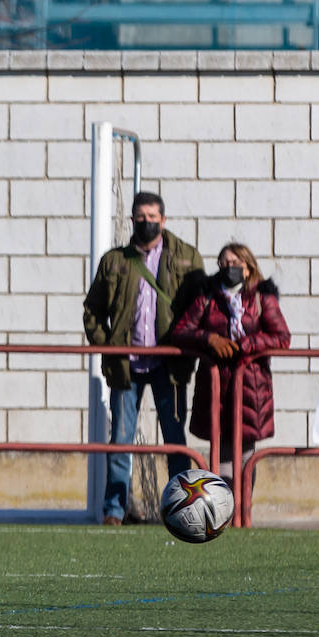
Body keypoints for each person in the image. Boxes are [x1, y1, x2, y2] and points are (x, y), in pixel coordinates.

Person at [83, 190, 205, 525]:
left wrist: (192, 344)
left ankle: (182, 508)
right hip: (126, 364)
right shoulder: (114, 260)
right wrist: (105, 344)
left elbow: (200, 308)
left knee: (175, 441)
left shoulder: (186, 256)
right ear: (132, 219)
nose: (147, 223)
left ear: (163, 220)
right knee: (120, 439)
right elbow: (92, 309)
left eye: (153, 217)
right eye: (140, 217)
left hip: (170, 364)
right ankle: (114, 508)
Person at [167, 242, 290, 489]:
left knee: (246, 452)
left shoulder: (261, 297)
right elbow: (180, 332)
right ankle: (224, 509)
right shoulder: (207, 296)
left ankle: (243, 513)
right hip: (215, 385)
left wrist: (248, 344)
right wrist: (208, 338)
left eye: (235, 263)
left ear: (248, 268)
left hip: (251, 386)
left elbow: (281, 337)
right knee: (220, 450)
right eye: (224, 263)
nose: (228, 267)